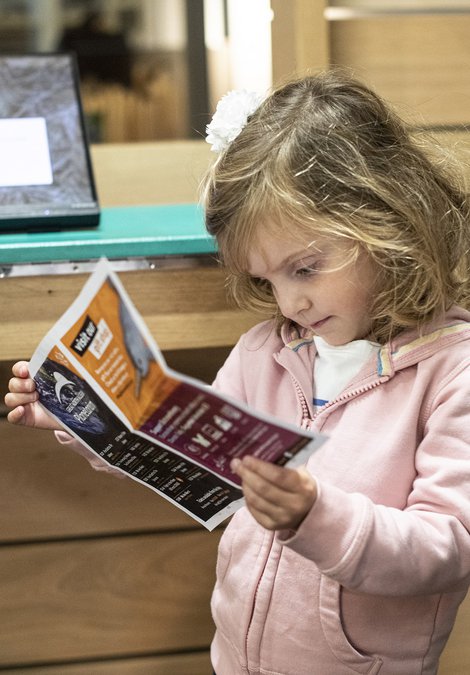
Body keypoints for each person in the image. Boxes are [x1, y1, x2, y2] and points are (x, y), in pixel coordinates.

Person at [6, 71, 470, 674]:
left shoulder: (450, 372)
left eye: (304, 269)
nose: (288, 305)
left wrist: (317, 518)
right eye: (266, 279)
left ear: (386, 221)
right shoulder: (265, 351)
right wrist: (86, 416)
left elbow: (448, 547)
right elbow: (183, 457)